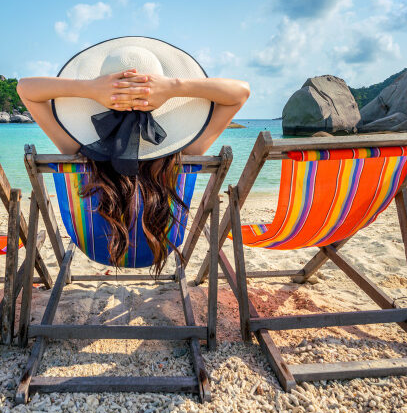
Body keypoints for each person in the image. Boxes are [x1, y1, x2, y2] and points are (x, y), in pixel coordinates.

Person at [17, 37, 249, 273]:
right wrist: (173, 87)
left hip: (96, 248)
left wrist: (90, 89)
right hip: (159, 246)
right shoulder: (187, 151)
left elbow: (25, 88)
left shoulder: (74, 149)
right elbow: (240, 93)